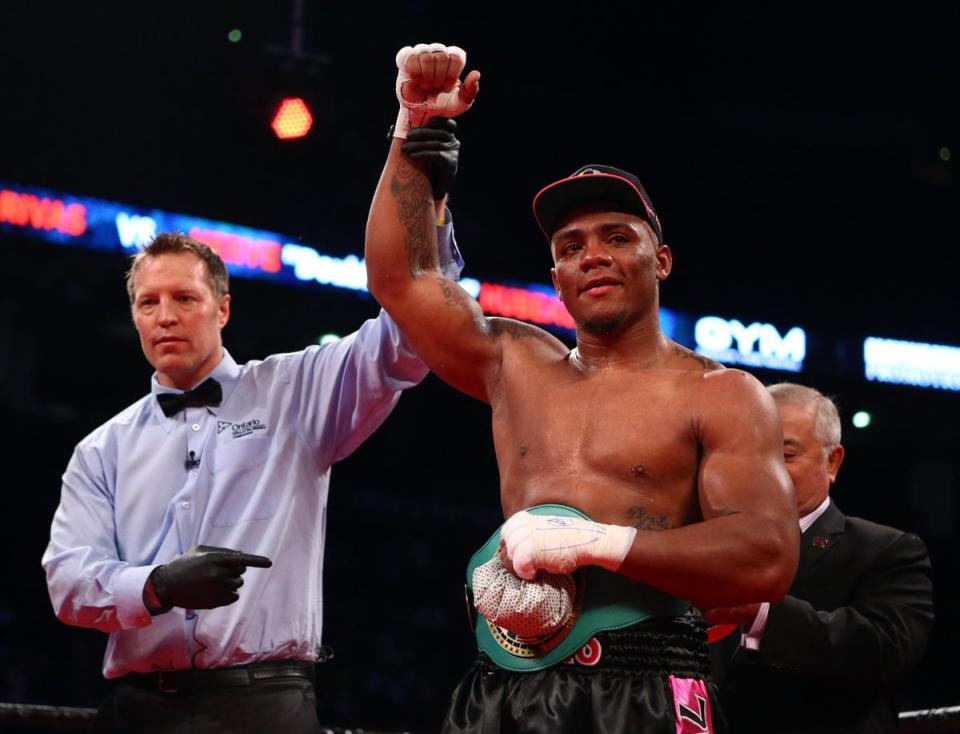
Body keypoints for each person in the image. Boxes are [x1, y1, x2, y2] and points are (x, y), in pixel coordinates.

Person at [365, 43, 800, 733]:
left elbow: (767, 556)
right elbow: (401, 281)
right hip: (501, 686)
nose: (589, 254)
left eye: (614, 237)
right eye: (569, 247)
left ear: (659, 260)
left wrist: (600, 544)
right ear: (558, 276)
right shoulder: (515, 364)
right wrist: (413, 130)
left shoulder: (719, 394)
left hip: (645, 684)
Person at [41, 136, 465, 732]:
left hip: (262, 703)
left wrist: (427, 208)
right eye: (148, 302)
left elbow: (406, 337)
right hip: (137, 709)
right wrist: (156, 586)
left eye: (185, 298)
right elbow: (67, 580)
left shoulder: (294, 392)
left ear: (222, 309)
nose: (165, 316)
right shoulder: (100, 450)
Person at [707, 382, 934, 734]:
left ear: (832, 461)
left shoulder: (888, 549)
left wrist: (762, 614)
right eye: (751, 452)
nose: (764, 469)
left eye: (786, 455)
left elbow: (884, 651)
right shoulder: (708, 544)